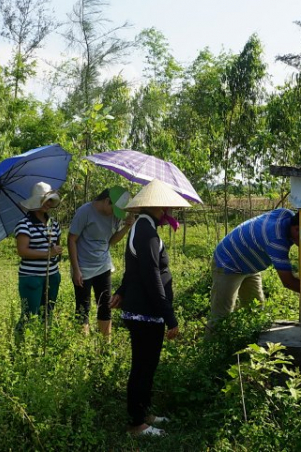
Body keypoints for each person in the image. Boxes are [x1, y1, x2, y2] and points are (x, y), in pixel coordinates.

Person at [110, 179, 189, 437]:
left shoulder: (143, 227)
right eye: (166, 205)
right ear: (156, 205)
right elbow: (151, 275)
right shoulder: (146, 231)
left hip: (143, 310)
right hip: (146, 313)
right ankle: (136, 423)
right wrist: (170, 316)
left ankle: (144, 413)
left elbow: (133, 269)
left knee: (147, 365)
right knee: (143, 366)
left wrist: (121, 290)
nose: (169, 209)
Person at [206, 208, 301, 334]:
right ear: (297, 229)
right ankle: (210, 348)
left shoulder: (285, 214)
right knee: (221, 315)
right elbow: (288, 282)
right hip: (229, 262)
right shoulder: (276, 240)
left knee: (255, 310)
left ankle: (244, 341)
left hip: (250, 265)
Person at [68, 187, 134, 337]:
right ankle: (82, 346)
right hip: (83, 266)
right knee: (83, 307)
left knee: (105, 305)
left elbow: (111, 241)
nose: (114, 214)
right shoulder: (85, 212)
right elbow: (71, 240)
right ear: (106, 201)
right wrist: (76, 269)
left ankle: (106, 344)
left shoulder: (115, 215)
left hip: (103, 265)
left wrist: (126, 227)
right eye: (114, 209)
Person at [14, 181, 63, 329]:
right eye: (45, 200)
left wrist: (57, 251)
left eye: (50, 200)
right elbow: (22, 251)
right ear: (36, 201)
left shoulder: (53, 224)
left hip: (52, 275)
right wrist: (48, 253)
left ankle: (43, 346)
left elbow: (57, 246)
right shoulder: (24, 224)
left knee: (48, 314)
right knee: (30, 315)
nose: (48, 203)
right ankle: (20, 345)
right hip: (32, 277)